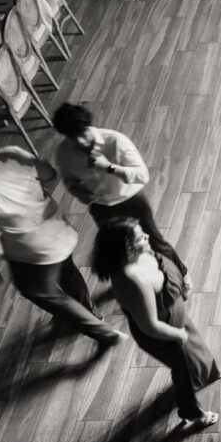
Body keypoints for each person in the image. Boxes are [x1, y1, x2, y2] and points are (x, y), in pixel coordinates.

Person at [0, 115, 124, 346]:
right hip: (57, 232)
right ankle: (89, 310)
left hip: (30, 255)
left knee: (45, 294)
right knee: (68, 272)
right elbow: (50, 176)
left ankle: (103, 332)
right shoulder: (12, 153)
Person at [52, 103, 193, 298]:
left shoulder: (115, 141)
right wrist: (79, 193)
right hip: (101, 207)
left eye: (83, 133)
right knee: (123, 249)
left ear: (88, 126)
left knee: (154, 240)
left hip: (131, 201)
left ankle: (181, 274)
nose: (81, 141)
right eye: (73, 137)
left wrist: (109, 166)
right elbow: (68, 180)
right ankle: (143, 280)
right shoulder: (64, 153)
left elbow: (142, 175)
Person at [92, 217, 221, 428]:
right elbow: (150, 326)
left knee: (194, 350)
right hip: (163, 334)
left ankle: (206, 372)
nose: (147, 236)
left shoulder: (142, 253)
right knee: (183, 370)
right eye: (141, 237)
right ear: (127, 249)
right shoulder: (132, 280)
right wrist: (178, 335)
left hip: (174, 317)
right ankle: (192, 412)